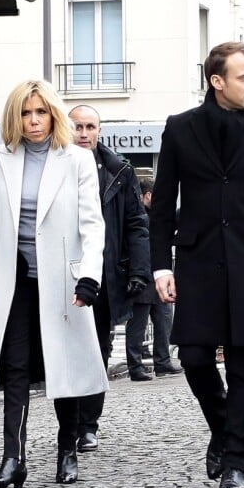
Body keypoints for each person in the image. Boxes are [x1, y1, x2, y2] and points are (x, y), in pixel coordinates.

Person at [150, 42, 244, 488]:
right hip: (197, 262)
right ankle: (222, 428)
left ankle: (236, 461)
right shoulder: (180, 129)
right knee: (194, 358)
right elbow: (162, 207)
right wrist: (160, 266)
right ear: (217, 81)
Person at [0, 80, 107, 488]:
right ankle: (14, 458)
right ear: (16, 116)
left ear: (53, 114)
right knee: (14, 368)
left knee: (60, 366)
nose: (33, 121)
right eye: (26, 113)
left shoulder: (78, 160)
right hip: (13, 282)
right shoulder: (0, 159)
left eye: (41, 112)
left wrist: (89, 275)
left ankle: (68, 447)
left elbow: (91, 225)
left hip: (62, 281)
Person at [68, 104, 150, 451]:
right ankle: (67, 422)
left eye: (90, 127)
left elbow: (135, 222)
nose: (84, 133)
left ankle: (88, 424)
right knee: (64, 350)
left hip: (103, 273)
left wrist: (138, 270)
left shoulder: (118, 170)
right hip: (62, 271)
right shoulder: (57, 166)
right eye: (78, 126)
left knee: (97, 349)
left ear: (99, 131)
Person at [125, 177, 182, 381]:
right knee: (138, 325)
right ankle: (136, 365)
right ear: (148, 195)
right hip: (142, 277)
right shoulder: (139, 216)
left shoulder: (151, 216)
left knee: (164, 320)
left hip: (156, 276)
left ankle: (162, 361)